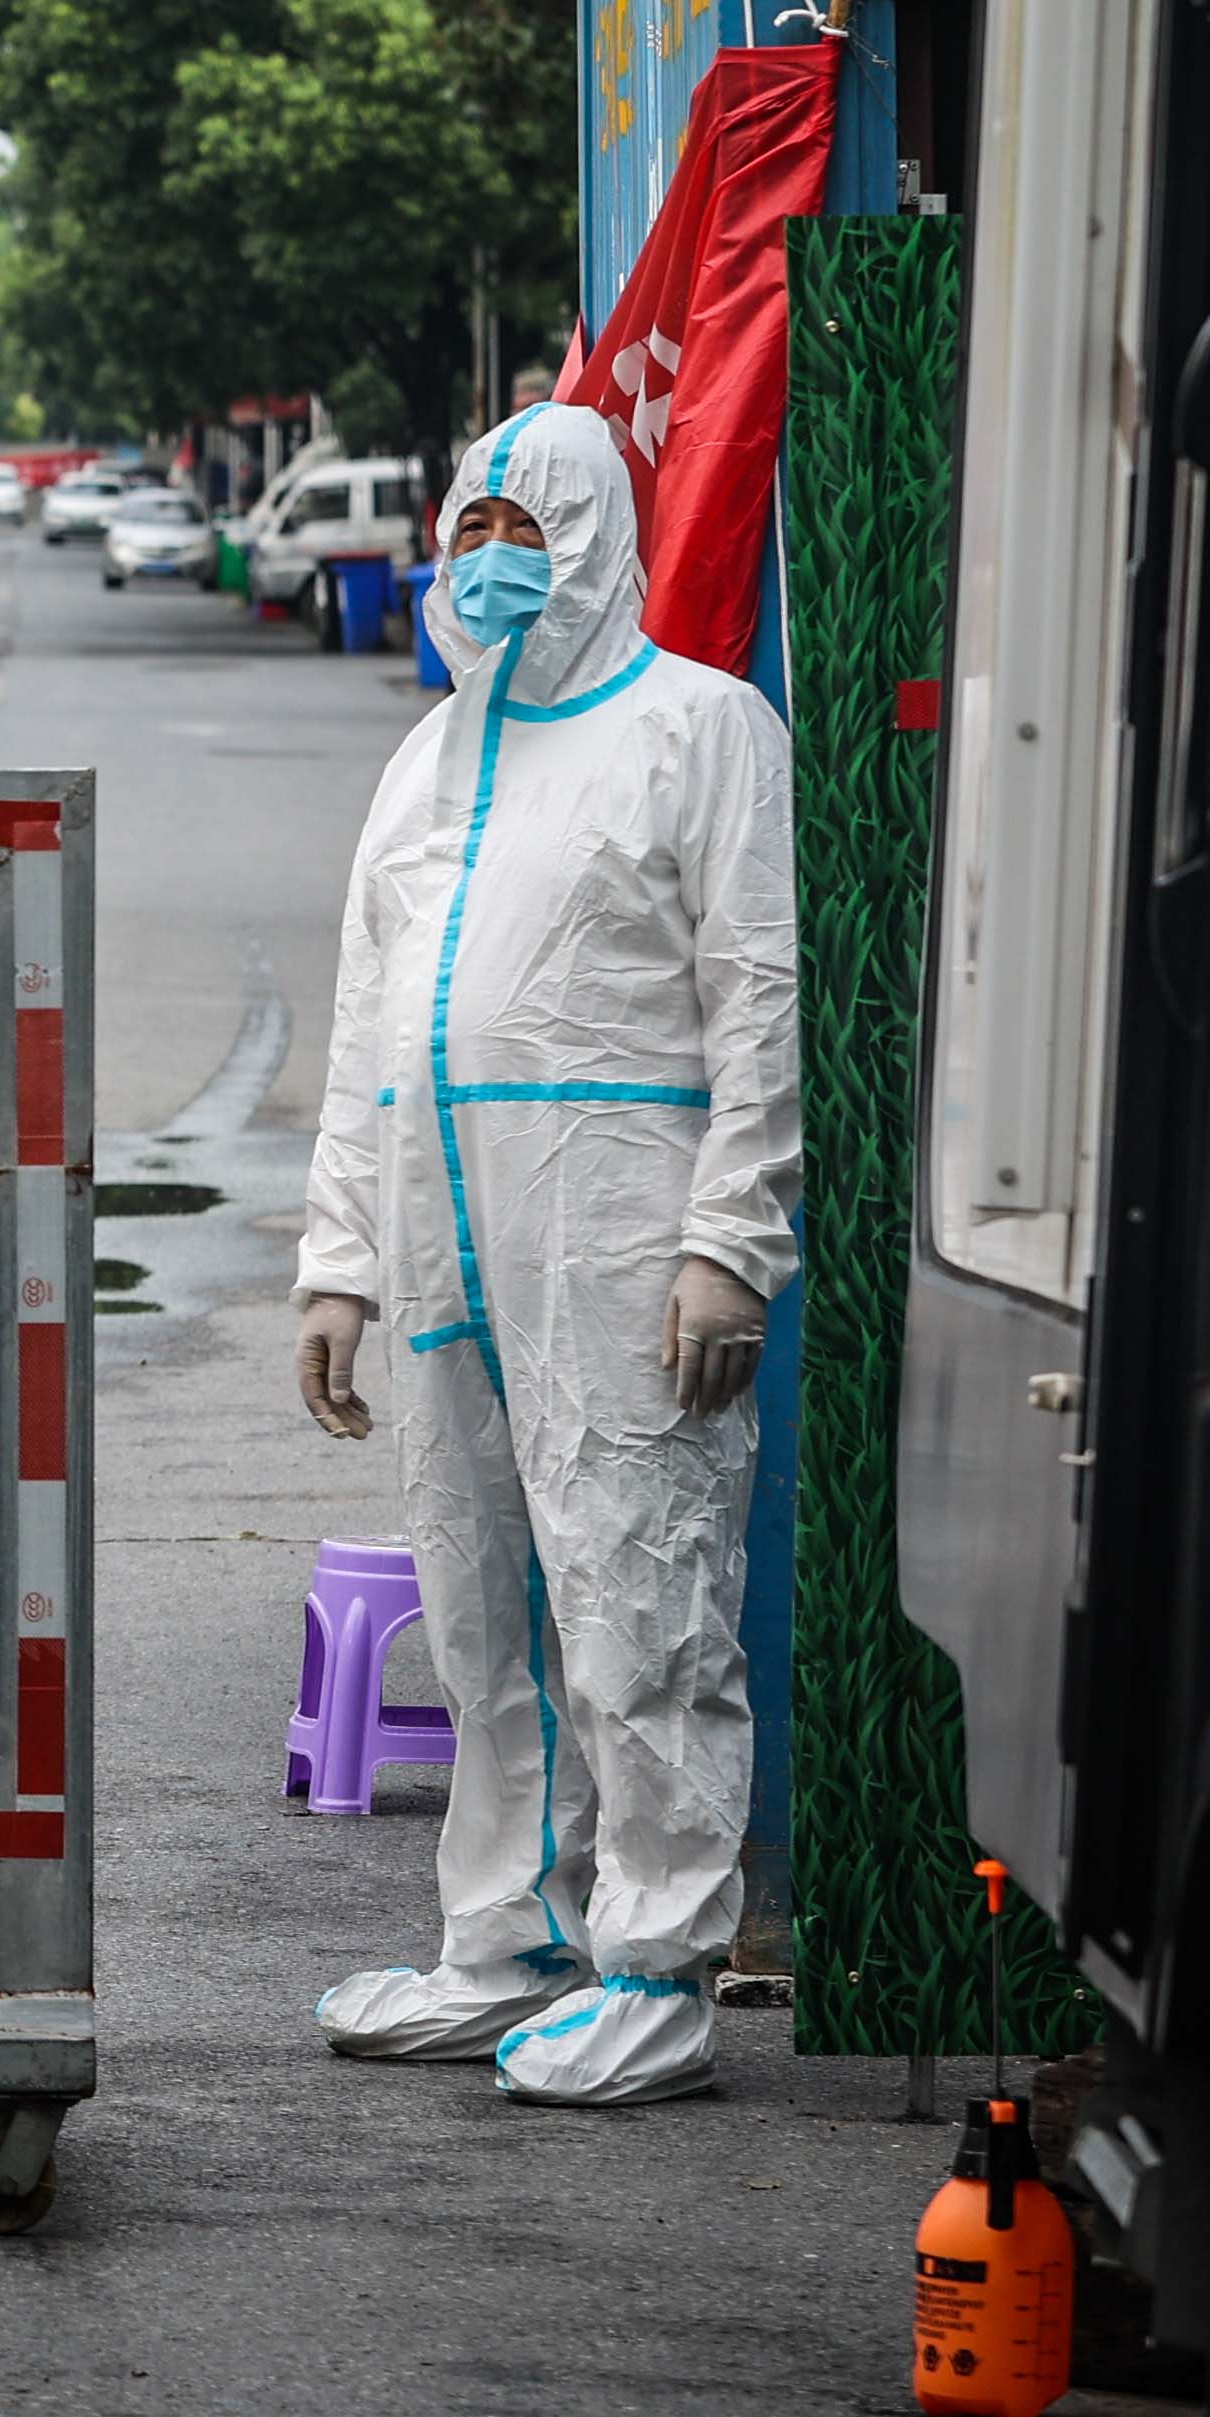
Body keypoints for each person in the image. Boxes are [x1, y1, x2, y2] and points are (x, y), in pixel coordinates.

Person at [291, 401, 797, 2107]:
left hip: (608, 1212)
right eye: (470, 529)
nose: (491, 559)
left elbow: (758, 994)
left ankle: (653, 1959)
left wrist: (729, 1238)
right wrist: (337, 1258)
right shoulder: (424, 753)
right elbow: (369, 1011)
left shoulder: (697, 726)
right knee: (473, 1584)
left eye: (528, 525)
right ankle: (494, 1936)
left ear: (594, 533)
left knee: (633, 1571)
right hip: (437, 1218)